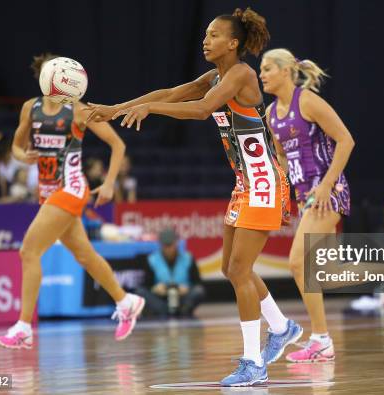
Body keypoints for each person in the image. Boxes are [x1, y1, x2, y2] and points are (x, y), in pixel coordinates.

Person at [86, 8, 301, 386]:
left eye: (214, 35)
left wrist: (149, 109)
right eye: (205, 34)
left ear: (233, 43)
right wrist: (115, 109)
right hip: (246, 181)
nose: (206, 40)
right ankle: (281, 328)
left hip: (264, 180)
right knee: (230, 269)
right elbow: (172, 93)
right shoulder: (216, 75)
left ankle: (254, 362)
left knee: (238, 271)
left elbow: (202, 110)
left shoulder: (242, 74)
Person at [259, 48, 384, 363]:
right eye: (261, 69)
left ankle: (321, 340)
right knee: (327, 272)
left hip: (329, 190)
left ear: (286, 71)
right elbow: (283, 157)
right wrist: (287, 190)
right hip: (306, 196)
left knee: (300, 264)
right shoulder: (270, 115)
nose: (262, 74)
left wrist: (325, 185)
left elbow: (346, 140)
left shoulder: (307, 100)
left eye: (268, 68)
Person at [0, 53, 145, 350]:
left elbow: (118, 143)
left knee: (28, 251)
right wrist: (24, 156)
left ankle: (23, 327)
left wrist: (111, 182)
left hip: (72, 188)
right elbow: (16, 146)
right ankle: (126, 301)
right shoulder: (31, 108)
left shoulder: (78, 110)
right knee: (85, 255)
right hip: (48, 192)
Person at [137, 228, 205, 318]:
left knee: (199, 291)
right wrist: (155, 289)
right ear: (161, 245)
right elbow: (145, 285)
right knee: (140, 292)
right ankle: (164, 311)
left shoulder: (188, 258)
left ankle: (183, 310)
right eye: (165, 245)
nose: (168, 249)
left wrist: (186, 289)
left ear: (176, 243)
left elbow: (198, 283)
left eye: (171, 245)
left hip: (182, 297)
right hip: (161, 298)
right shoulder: (152, 260)